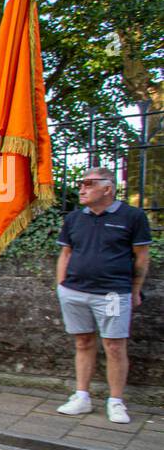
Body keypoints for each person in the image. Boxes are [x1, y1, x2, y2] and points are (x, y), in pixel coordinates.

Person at [54, 166, 152, 424]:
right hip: (74, 292)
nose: (82, 188)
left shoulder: (133, 217)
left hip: (111, 294)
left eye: (88, 184)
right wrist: (61, 286)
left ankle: (116, 401)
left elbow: (141, 256)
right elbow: (65, 254)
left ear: (107, 188)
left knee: (114, 345)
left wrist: (133, 290)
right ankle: (81, 396)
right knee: (83, 343)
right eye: (81, 183)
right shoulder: (74, 218)